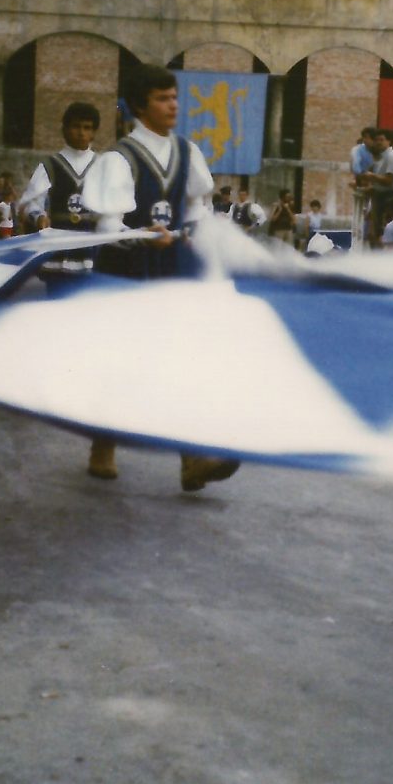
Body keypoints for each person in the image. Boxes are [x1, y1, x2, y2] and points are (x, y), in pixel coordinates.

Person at [79, 64, 240, 493]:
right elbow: (107, 227)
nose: (173, 105)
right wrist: (142, 239)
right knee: (120, 362)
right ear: (138, 105)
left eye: (174, 97)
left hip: (171, 271)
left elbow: (197, 213)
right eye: (162, 98)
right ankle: (103, 447)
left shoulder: (188, 153)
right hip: (125, 273)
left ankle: (192, 459)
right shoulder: (119, 158)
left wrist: (188, 235)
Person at [16, 102, 103, 234]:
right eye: (76, 126)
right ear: (65, 129)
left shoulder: (102, 165)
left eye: (87, 128)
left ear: (93, 133)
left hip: (92, 242)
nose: (81, 133)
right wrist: (39, 217)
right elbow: (30, 203)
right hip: (58, 243)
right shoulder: (49, 165)